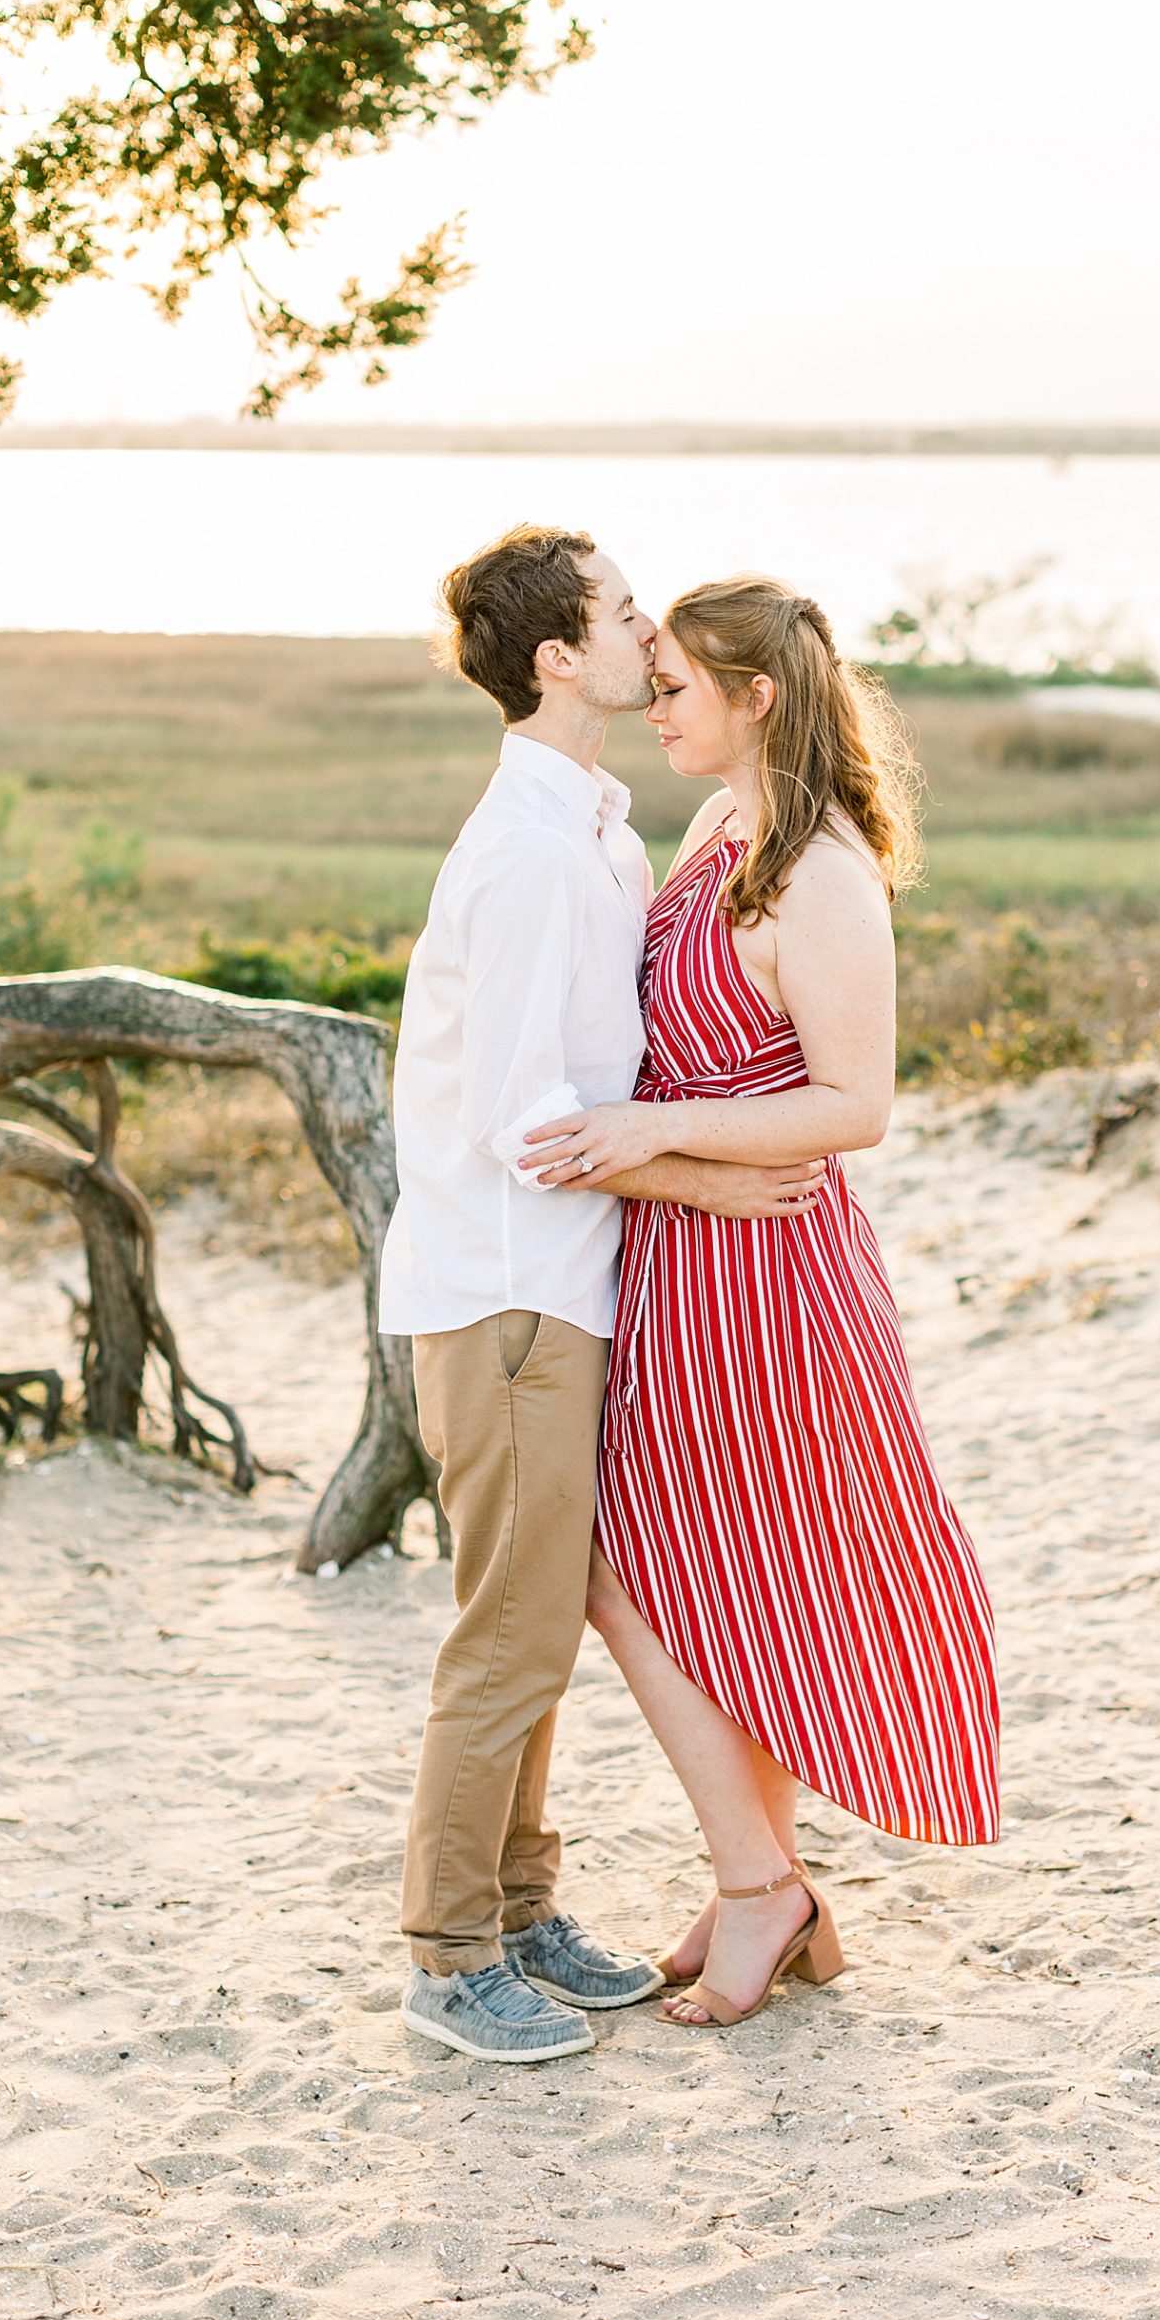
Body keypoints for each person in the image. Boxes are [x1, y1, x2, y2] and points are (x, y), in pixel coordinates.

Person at [518, 575, 1001, 2032]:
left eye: (675, 686)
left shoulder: (823, 871)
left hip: (771, 1277)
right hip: (686, 1259)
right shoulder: (720, 824)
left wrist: (652, 1139)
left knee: (642, 1572)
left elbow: (855, 1105)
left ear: (758, 696)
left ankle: (756, 1888)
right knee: (711, 1578)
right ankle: (761, 1877)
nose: (653, 705)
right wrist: (655, 1159)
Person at [379, 527, 828, 2064]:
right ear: (558, 658)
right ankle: (446, 1956)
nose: (652, 633)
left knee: (538, 1624)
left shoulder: (606, 835)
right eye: (626, 613)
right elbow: (524, 1120)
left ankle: (518, 1910)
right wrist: (701, 1180)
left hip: (567, 1278)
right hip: (504, 1285)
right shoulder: (518, 853)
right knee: (505, 1635)